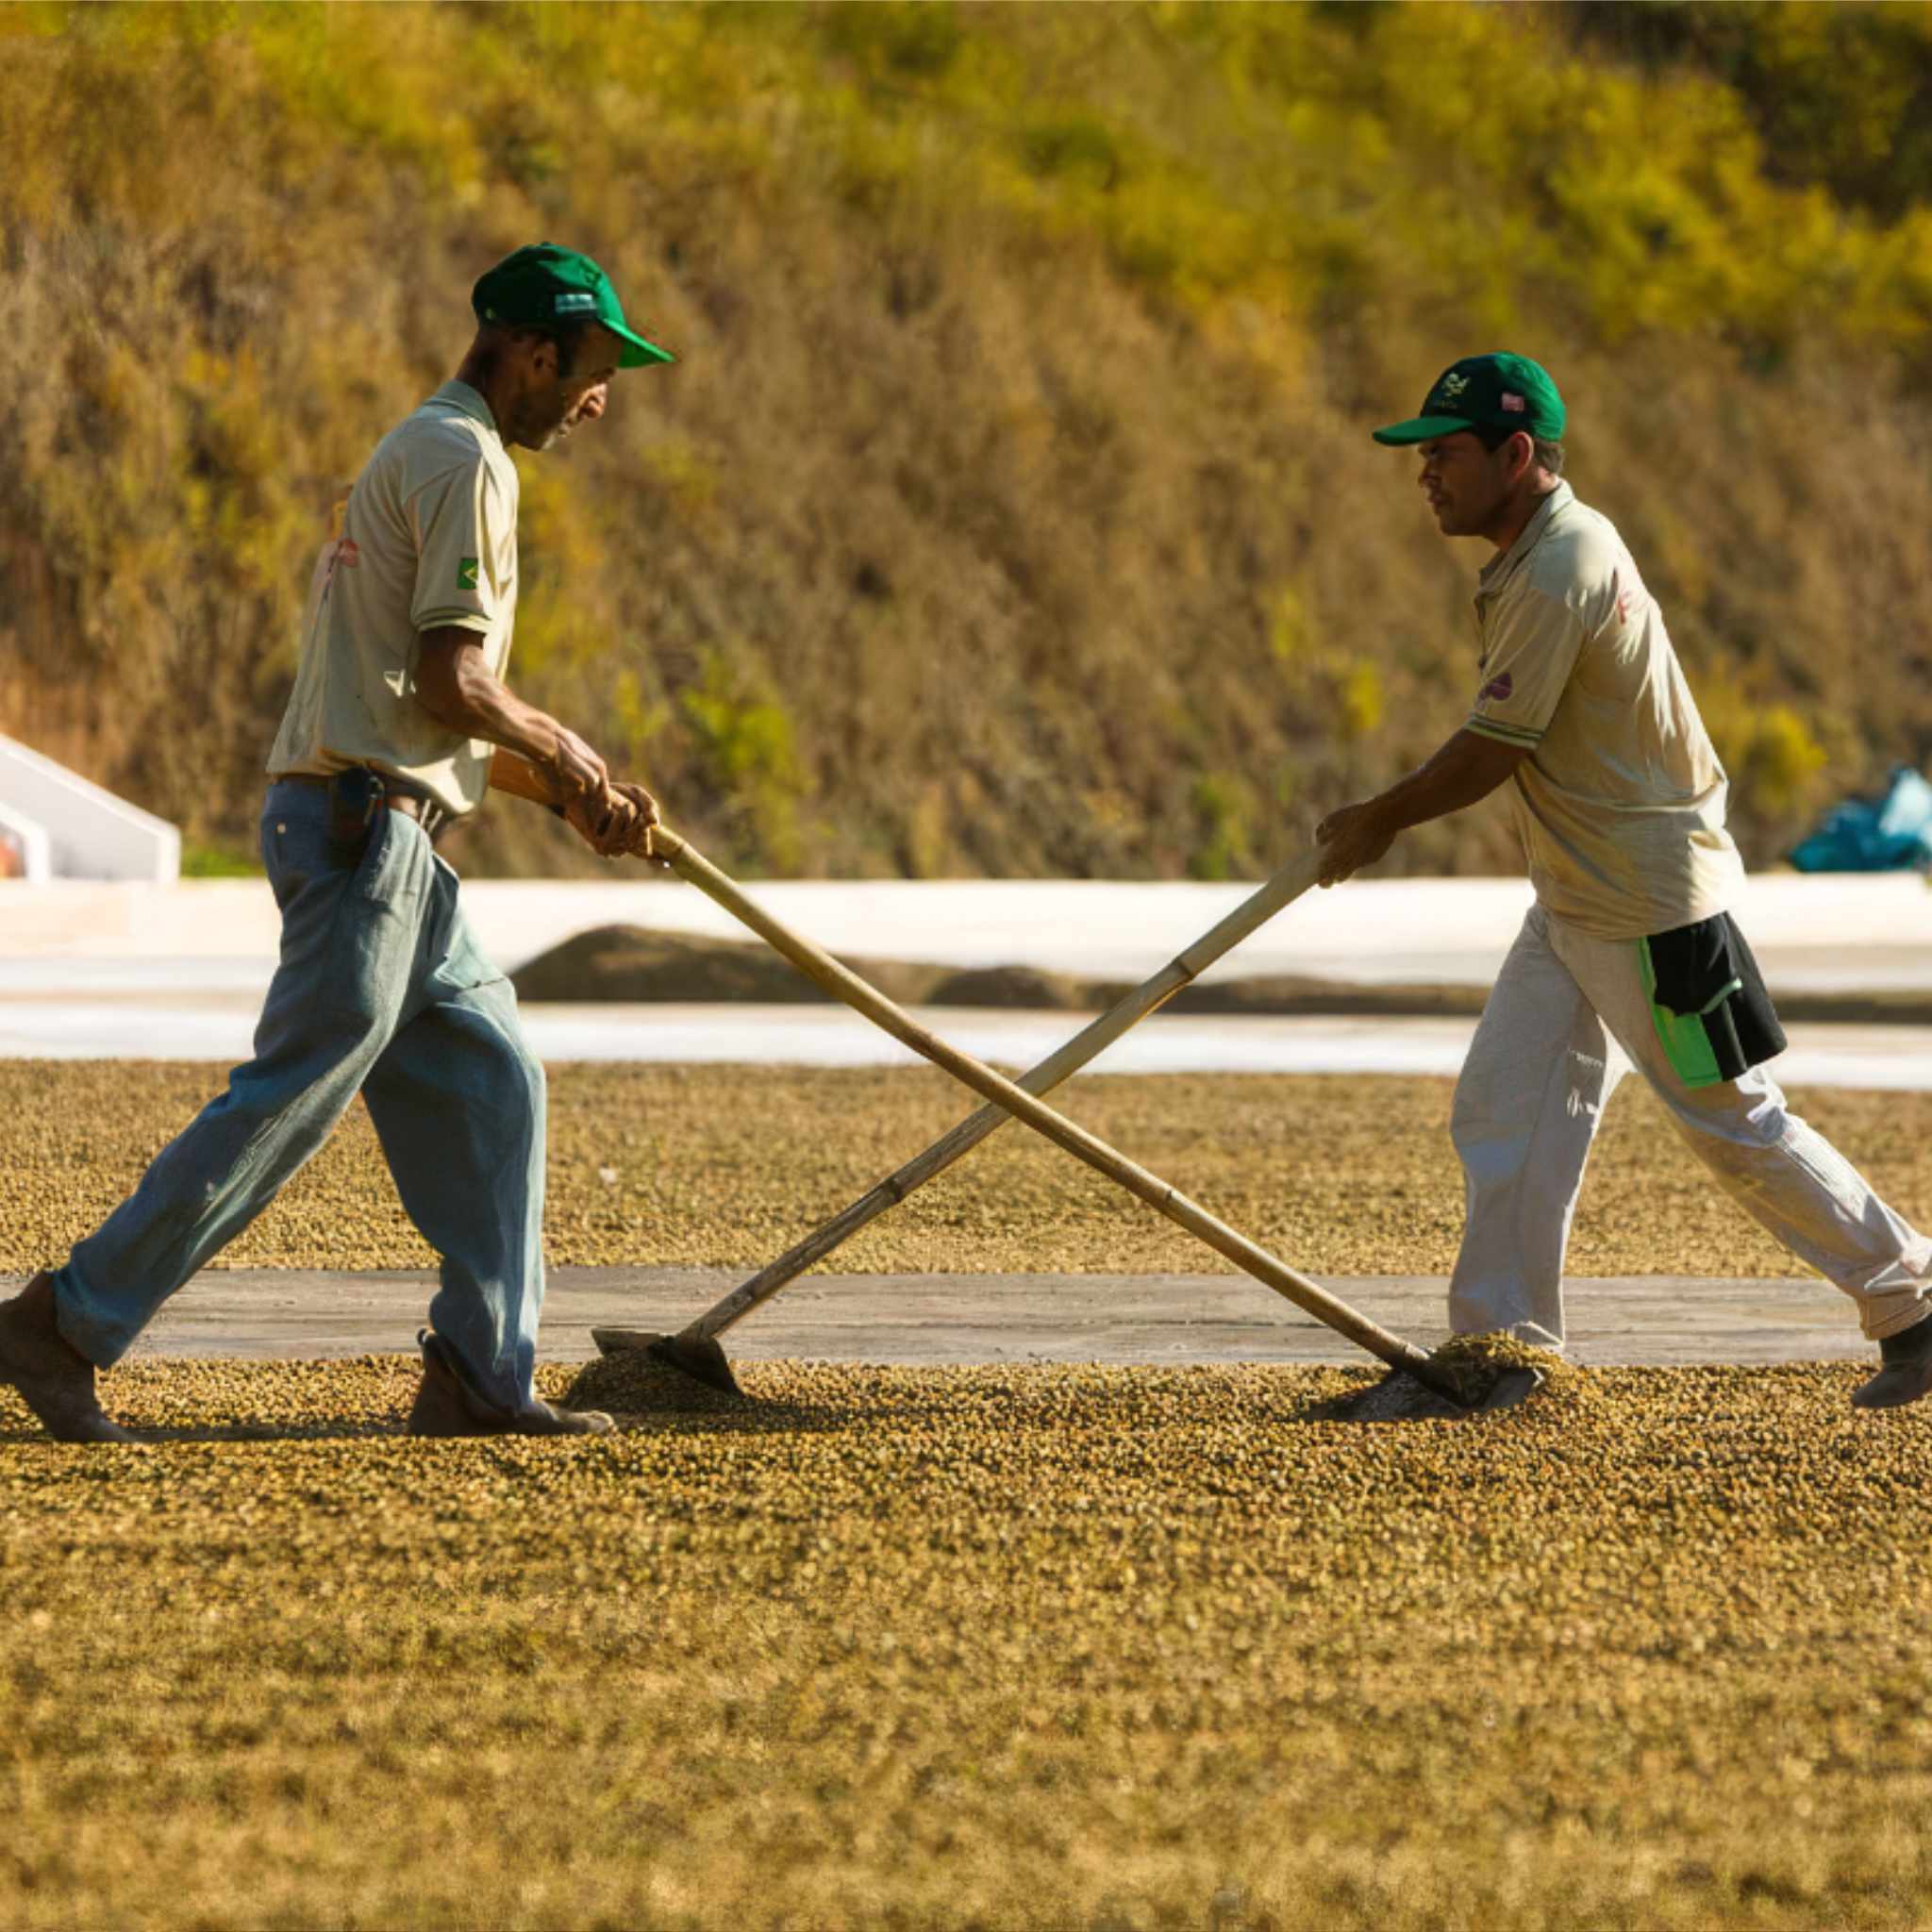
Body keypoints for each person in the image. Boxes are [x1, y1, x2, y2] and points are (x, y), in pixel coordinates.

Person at [0, 243, 671, 1441]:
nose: (599, 398)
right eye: (594, 368)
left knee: (495, 1079)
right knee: (289, 1098)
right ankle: (59, 1324)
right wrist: (567, 747)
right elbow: (453, 678)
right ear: (532, 353)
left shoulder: (420, 445)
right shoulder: (465, 462)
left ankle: (480, 1374)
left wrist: (564, 796)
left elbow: (418, 708)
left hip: (390, 834)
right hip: (366, 838)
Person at [1314, 352, 1932, 1410]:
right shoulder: (1536, 556)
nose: (1426, 475)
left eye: (1445, 454)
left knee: (1735, 1123)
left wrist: (1378, 820)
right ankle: (1502, 1350)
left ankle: (1913, 1300)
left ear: (1516, 453)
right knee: (1506, 1106)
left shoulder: (1563, 563)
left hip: (1648, 907)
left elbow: (1492, 747)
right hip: (1575, 896)